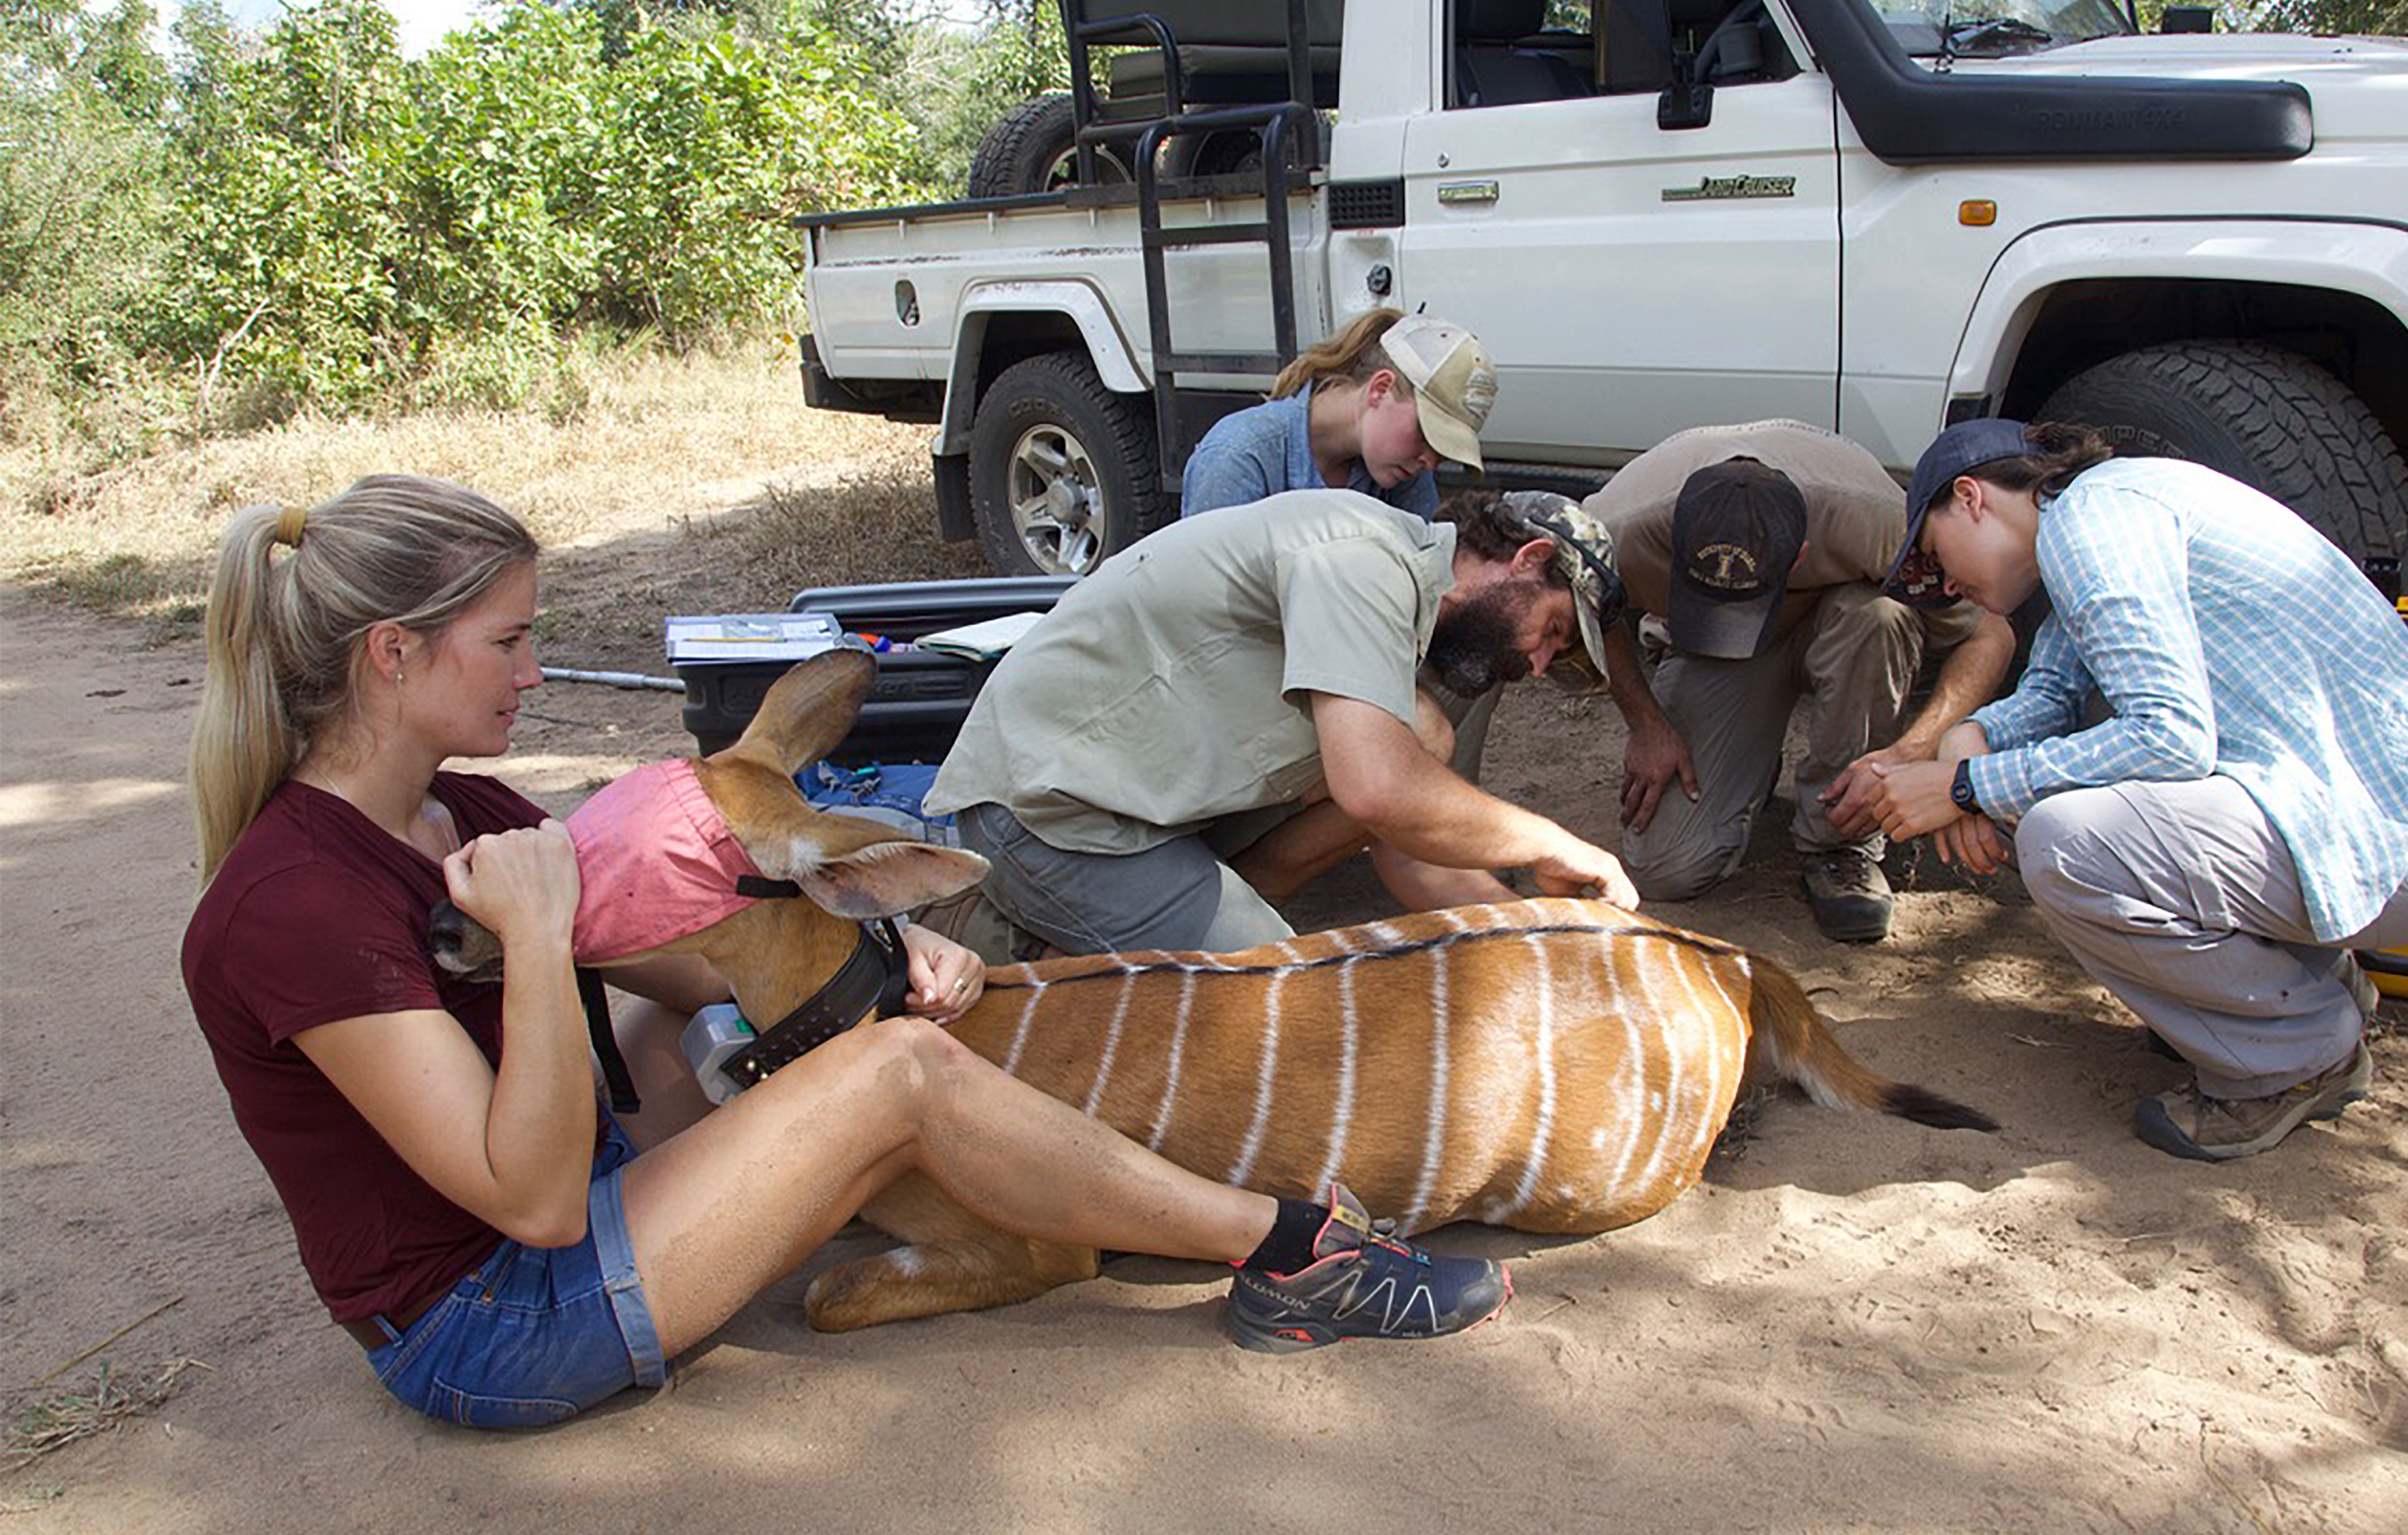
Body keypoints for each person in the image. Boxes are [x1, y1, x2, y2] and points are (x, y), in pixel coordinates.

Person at [180, 478, 1512, 1429]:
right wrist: (533, 939)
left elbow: (688, 960)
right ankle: (1289, 1253)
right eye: (509, 640)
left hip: (574, 1191)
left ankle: (1000, 1198)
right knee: (894, 1085)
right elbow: (521, 1203)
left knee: (796, 1036)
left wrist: (885, 952)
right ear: (392, 654)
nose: (532, 672)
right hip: (497, 1317)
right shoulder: (292, 901)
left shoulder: (465, 809)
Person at [1857, 420, 2408, 1160]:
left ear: (1971, 498)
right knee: (2047, 797)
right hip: (2388, 822)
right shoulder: (2102, 511)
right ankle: (2306, 986)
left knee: (2067, 838)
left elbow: (2170, 738)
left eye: (1933, 555)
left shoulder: (2093, 523)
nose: (1947, 586)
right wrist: (1971, 742)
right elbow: (2053, 693)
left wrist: (1965, 786)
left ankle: (2298, 1057)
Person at [926, 486, 1636, 956]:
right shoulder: (1361, 560)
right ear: (1528, 559)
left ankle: (1189, 918)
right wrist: (1553, 845)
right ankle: (1004, 933)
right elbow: (1379, 793)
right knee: (1284, 1003)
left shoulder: (1404, 603)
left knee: (1423, 737)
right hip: (1047, 810)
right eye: (1551, 632)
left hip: (1144, 803)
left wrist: (1539, 937)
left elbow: (1405, 841)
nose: (1539, 664)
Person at [1579, 420, 2014, 942]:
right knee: (1667, 869)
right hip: (1716, 653)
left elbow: (1992, 636)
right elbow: (1589, 609)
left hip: (1842, 628)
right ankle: (1750, 766)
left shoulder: (1875, 520)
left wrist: (1910, 751)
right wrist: (1647, 725)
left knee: (1879, 617)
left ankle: (1840, 843)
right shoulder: (1616, 526)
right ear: (1673, 538)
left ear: (1802, 553)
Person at [1179, 309, 1495, 521]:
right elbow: (1209, 607)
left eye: (1444, 451)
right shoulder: (1238, 456)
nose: (1430, 461)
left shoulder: (1402, 471)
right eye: (1428, 434)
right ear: (1380, 389)